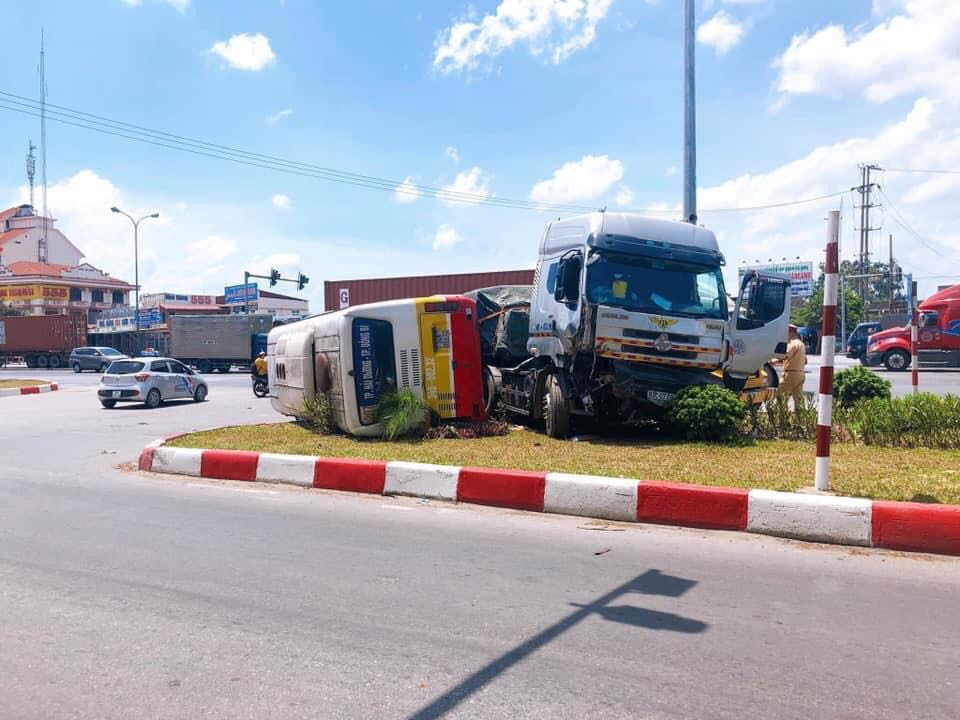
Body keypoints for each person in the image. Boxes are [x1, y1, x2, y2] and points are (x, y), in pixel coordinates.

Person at [778, 325, 807, 409]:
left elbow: (785, 356)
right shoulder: (801, 344)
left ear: (790, 333)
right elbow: (805, 361)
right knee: (798, 399)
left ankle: (782, 418)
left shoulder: (792, 343)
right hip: (800, 374)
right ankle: (800, 418)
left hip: (790, 374)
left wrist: (773, 360)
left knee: (781, 397)